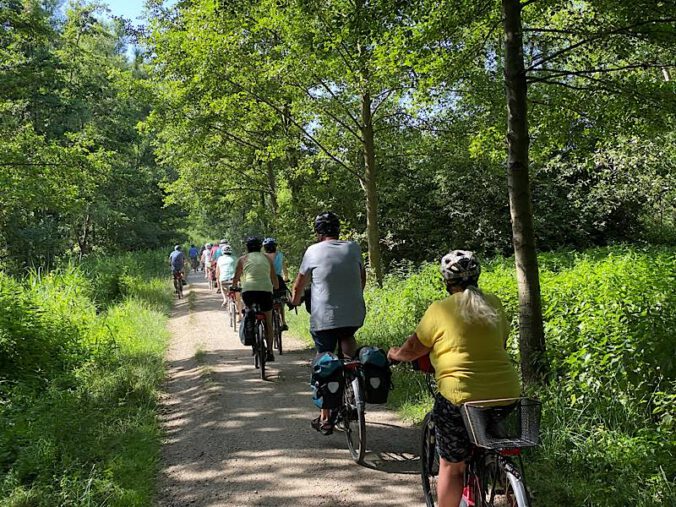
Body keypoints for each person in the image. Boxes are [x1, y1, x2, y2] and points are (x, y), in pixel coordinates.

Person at [387, 250, 520, 507]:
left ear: (446, 281)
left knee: (451, 465)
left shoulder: (440, 309)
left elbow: (415, 347)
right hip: (507, 392)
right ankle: (500, 472)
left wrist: (395, 354)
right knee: (490, 430)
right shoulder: (495, 303)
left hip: (459, 396)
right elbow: (500, 342)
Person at [290, 211, 366, 435]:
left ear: (318, 232)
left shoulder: (312, 251)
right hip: (353, 314)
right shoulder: (353, 248)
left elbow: (298, 285)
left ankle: (325, 417)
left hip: (323, 318)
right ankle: (354, 388)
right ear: (338, 230)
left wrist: (293, 301)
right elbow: (362, 278)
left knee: (324, 357)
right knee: (347, 340)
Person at [232, 237, 279, 361]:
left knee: (249, 314)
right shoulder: (267, 258)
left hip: (249, 292)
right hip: (265, 291)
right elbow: (274, 278)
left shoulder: (243, 259)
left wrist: (233, 287)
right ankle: (270, 352)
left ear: (247, 248)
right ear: (260, 247)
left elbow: (236, 277)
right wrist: (276, 287)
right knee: (268, 321)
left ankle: (253, 339)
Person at [262, 237, 290, 331]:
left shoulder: (263, 257)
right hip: (278, 280)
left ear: (265, 248)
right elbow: (284, 268)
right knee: (280, 300)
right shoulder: (280, 255)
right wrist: (286, 277)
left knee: (265, 300)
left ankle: (265, 321)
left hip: (266, 280)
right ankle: (283, 322)